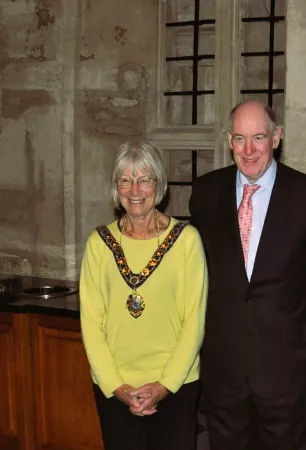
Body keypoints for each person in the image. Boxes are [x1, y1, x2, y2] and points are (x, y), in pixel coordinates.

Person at [189, 100, 306, 450]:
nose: (249, 149)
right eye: (239, 139)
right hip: (224, 367)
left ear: (276, 137)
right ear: (229, 141)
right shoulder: (206, 192)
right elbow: (195, 273)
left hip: (286, 366)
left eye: (258, 137)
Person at [79, 141, 208, 450]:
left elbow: (194, 321)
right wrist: (117, 387)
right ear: (116, 187)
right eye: (125, 179)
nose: (135, 189)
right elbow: (92, 324)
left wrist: (164, 386)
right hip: (115, 389)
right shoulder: (99, 244)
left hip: (176, 386)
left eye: (144, 179)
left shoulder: (187, 241)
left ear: (158, 184)